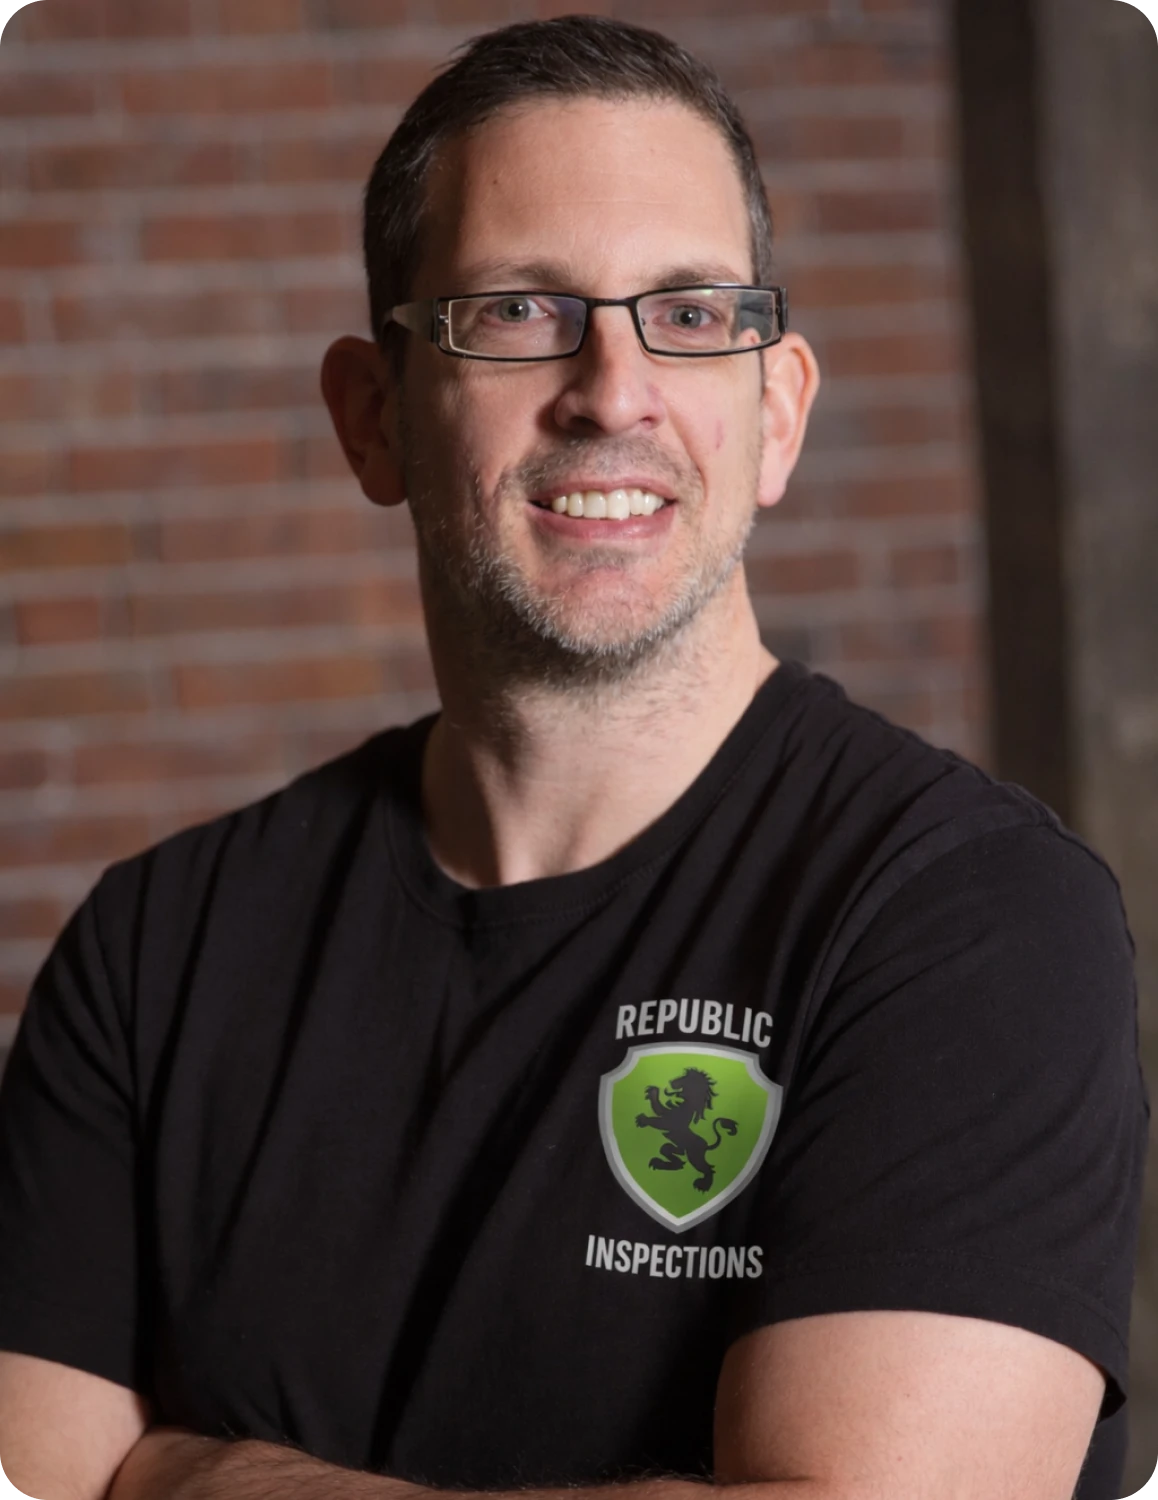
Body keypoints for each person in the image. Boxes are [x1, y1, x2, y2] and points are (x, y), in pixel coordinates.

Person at [0, 15, 1147, 1500]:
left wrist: (186, 1477)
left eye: (685, 313)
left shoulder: (967, 918)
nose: (612, 390)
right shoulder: (157, 954)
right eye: (518, 312)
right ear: (372, 420)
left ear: (775, 411)